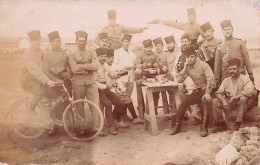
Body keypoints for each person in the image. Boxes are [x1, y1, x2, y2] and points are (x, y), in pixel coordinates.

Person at [169, 47, 215, 137]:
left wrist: (207, 93)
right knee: (184, 102)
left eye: (192, 57)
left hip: (209, 90)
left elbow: (211, 81)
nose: (190, 59)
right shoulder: (188, 67)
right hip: (198, 91)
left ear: (196, 56)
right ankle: (177, 126)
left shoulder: (203, 65)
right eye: (188, 57)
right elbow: (179, 80)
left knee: (205, 100)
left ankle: (204, 127)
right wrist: (184, 68)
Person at [20, 30, 58, 118]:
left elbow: (48, 57)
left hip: (35, 79)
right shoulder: (28, 53)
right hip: (27, 80)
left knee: (52, 93)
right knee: (40, 92)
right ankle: (31, 109)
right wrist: (47, 81)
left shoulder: (40, 51)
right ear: (31, 42)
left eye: (39, 40)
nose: (38, 42)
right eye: (36, 40)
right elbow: (35, 70)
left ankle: (49, 114)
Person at [212, 58, 255, 132]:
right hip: (230, 101)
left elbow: (249, 91)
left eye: (234, 69)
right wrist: (223, 101)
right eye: (230, 69)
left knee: (243, 99)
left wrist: (235, 98)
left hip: (241, 102)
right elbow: (219, 93)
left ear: (239, 69)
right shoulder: (226, 80)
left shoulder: (244, 79)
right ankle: (221, 123)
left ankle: (238, 123)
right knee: (214, 101)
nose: (232, 71)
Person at [68, 30, 100, 132]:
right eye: (80, 40)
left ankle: (96, 127)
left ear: (86, 41)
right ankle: (82, 128)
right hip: (77, 83)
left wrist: (82, 66)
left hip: (91, 82)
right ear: (76, 41)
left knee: (95, 104)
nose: (82, 43)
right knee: (79, 105)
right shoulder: (71, 54)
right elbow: (74, 69)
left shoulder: (91, 52)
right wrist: (88, 67)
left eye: (84, 41)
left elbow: (96, 66)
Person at [106, 49, 144, 126]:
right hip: (108, 89)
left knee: (127, 98)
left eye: (112, 57)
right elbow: (108, 81)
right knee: (121, 100)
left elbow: (120, 76)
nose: (111, 59)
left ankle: (135, 118)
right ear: (105, 58)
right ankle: (117, 120)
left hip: (116, 88)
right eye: (109, 57)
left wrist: (122, 89)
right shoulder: (105, 67)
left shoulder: (115, 66)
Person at [214, 20, 254, 86]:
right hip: (226, 76)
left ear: (232, 30)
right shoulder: (219, 46)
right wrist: (217, 78)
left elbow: (246, 59)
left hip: (240, 74)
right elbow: (217, 64)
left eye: (229, 29)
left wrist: (250, 73)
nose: (227, 31)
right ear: (222, 32)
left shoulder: (240, 43)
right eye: (225, 30)